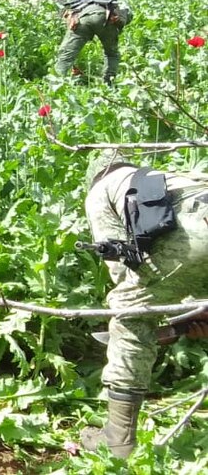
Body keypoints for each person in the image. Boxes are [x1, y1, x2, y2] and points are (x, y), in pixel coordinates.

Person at [80, 153, 208, 457]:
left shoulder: (102, 189)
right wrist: (192, 310)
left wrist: (147, 318)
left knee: (129, 310)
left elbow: (120, 267)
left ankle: (117, 441)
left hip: (197, 233)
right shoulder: (168, 177)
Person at [53, 0, 132, 84]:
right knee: (111, 54)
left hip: (82, 19)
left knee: (66, 55)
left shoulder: (79, 3)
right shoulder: (115, 4)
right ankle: (108, 83)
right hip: (107, 17)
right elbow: (124, 18)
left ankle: (55, 83)